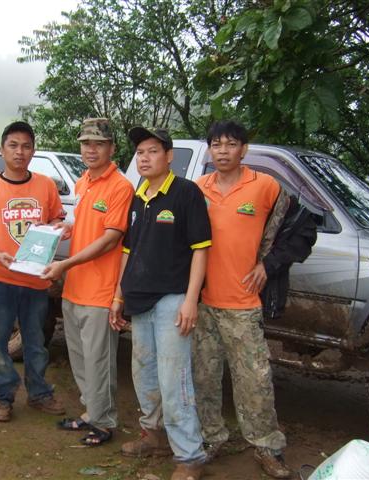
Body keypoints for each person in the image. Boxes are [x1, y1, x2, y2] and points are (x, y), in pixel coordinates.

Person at [110, 127, 211, 480]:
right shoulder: (138, 196)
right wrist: (118, 295)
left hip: (172, 300)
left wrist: (191, 300)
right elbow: (128, 250)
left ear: (169, 156)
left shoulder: (186, 193)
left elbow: (201, 250)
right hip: (139, 300)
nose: (144, 158)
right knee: (145, 373)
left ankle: (190, 456)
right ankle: (153, 435)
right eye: (140, 152)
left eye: (152, 151)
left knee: (174, 379)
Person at [192, 120, 292, 479]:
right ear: (209, 150)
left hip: (243, 305)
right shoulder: (197, 189)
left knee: (255, 381)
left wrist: (270, 264)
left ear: (244, 149)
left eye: (231, 144)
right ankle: (210, 437)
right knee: (203, 377)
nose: (223, 151)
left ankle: (266, 446)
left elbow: (298, 230)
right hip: (202, 304)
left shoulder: (266, 187)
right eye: (216, 144)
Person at [0, 121, 66, 422]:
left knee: (36, 341)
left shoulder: (45, 185)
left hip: (35, 280)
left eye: (26, 146)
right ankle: (2, 397)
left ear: (33, 151)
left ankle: (39, 393)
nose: (19, 152)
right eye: (13, 145)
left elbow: (56, 220)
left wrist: (57, 229)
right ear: (2, 150)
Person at [42, 118, 134, 446]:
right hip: (74, 288)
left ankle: (104, 422)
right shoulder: (83, 182)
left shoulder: (120, 187)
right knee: (80, 358)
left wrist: (65, 264)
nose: (90, 149)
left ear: (112, 148)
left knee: (99, 362)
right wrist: (66, 228)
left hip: (100, 291)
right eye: (85, 143)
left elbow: (110, 239)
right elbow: (84, 223)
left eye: (98, 144)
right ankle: (90, 412)